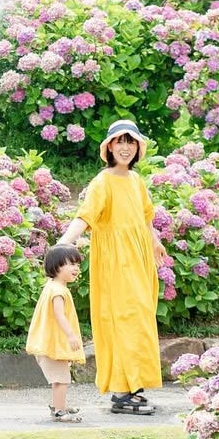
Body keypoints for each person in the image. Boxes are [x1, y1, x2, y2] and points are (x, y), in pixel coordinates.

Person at [57, 119, 165, 415]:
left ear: (137, 147)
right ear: (109, 147)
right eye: (120, 141)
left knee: (140, 320)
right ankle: (120, 392)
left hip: (139, 261)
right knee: (122, 321)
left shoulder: (136, 181)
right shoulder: (102, 182)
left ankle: (134, 387)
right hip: (116, 263)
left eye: (130, 142)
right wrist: (64, 243)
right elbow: (85, 217)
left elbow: (146, 218)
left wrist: (154, 242)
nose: (126, 147)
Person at [25, 244, 87, 423]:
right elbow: (59, 315)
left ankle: (59, 406)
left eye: (77, 264)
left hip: (49, 343)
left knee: (59, 379)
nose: (76, 268)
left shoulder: (52, 286)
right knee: (62, 379)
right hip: (52, 344)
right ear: (56, 266)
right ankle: (60, 412)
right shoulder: (58, 291)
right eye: (71, 264)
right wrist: (71, 335)